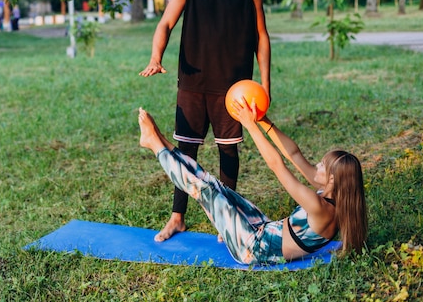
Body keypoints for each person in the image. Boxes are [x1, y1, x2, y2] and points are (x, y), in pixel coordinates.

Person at [139, 0, 271, 242]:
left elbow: (261, 36)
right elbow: (166, 23)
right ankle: (177, 217)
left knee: (229, 154)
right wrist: (156, 57)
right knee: (186, 153)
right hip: (193, 83)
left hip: (233, 88)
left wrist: (265, 85)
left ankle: (229, 221)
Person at [137, 106, 367, 265]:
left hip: (252, 248)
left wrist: (250, 126)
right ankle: (164, 143)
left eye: (322, 165)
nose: (316, 165)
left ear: (333, 179)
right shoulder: (328, 194)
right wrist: (265, 122)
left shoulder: (320, 208)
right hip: (262, 228)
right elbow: (294, 154)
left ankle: (155, 146)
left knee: (204, 191)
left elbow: (278, 166)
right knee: (214, 184)